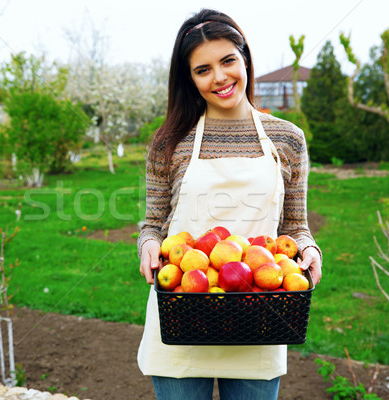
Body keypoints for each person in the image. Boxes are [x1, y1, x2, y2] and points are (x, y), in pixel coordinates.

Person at [137, 8, 322, 400]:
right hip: (182, 317)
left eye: (227, 61)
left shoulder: (287, 140)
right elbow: (153, 223)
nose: (219, 77)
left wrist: (307, 248)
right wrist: (149, 245)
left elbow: (294, 226)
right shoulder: (170, 142)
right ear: (190, 79)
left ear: (245, 59)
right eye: (203, 70)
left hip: (260, 316)